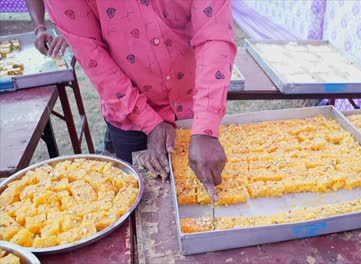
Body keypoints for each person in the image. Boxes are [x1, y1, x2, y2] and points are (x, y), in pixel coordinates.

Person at [44, 0, 237, 202]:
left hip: (196, 101)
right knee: (149, 208)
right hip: (130, 114)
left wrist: (205, 127)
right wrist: (148, 121)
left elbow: (214, 34)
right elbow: (92, 56)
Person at [26, 0, 116, 156]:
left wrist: (77, 33)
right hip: (89, 36)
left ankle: (114, 142)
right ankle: (112, 141)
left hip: (114, 28)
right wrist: (39, 27)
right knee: (113, 92)